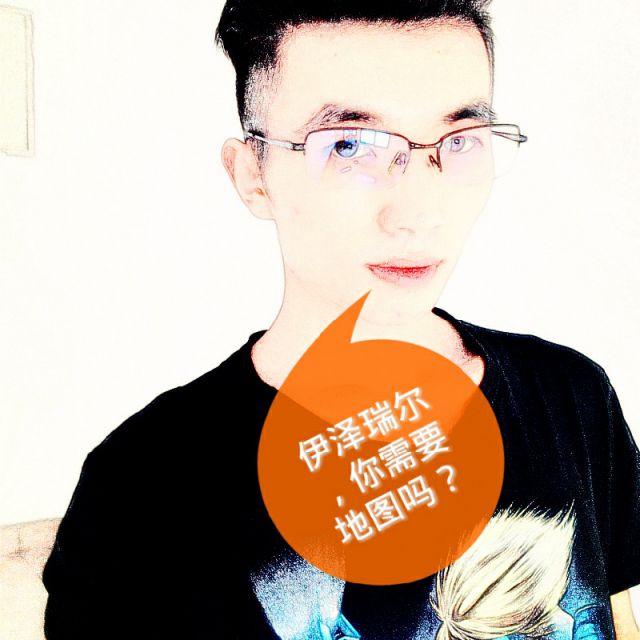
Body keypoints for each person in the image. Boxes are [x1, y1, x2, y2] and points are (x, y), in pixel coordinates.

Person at [41, 1, 640, 639]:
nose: (419, 213)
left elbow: (615, 618)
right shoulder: (140, 486)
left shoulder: (570, 395)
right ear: (253, 175)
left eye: (460, 141)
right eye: (350, 146)